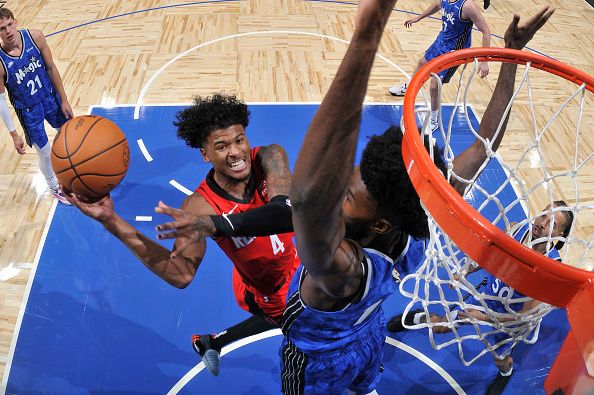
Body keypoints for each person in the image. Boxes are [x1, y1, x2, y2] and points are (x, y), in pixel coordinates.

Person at [155, 5, 554, 392]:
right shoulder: (417, 225)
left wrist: (365, 40)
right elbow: (482, 147)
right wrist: (512, 58)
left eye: (347, 194)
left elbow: (309, 198)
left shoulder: (339, 268)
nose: (340, 187)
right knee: (365, 384)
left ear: (378, 222)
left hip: (317, 361)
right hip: (369, 334)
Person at [66, 93, 300, 377]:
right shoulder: (199, 206)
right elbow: (181, 275)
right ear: (205, 154)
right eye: (221, 146)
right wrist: (111, 221)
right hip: (268, 289)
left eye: (239, 140)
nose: (236, 152)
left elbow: (284, 216)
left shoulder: (270, 157)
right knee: (303, 327)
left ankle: (211, 341)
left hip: (297, 264)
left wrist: (216, 225)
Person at [388, 201, 573, 395]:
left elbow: (522, 316)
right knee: (442, 326)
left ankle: (506, 373)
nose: (542, 223)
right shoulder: (517, 230)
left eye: (552, 223)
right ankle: (420, 317)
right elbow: (490, 256)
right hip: (487, 298)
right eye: (544, 215)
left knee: (500, 358)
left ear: (559, 235)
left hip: (512, 319)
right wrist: (465, 270)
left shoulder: (551, 270)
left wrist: (483, 317)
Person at [0, 7, 73, 204]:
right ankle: (54, 187)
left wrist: (64, 99)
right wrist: (14, 134)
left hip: (50, 97)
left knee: (68, 135)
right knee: (45, 152)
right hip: (29, 111)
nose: (7, 31)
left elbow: (51, 68)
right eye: (1, 28)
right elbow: (0, 100)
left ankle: (73, 169)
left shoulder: (36, 37)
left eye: (9, 25)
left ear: (16, 22)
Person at [388, 0, 491, 131]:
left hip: (454, 51)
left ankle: (434, 119)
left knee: (434, 85)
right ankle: (409, 88)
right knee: (421, 64)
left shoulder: (468, 6)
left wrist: (484, 62)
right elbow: (437, 5)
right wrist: (418, 18)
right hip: (441, 41)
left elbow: (486, 31)